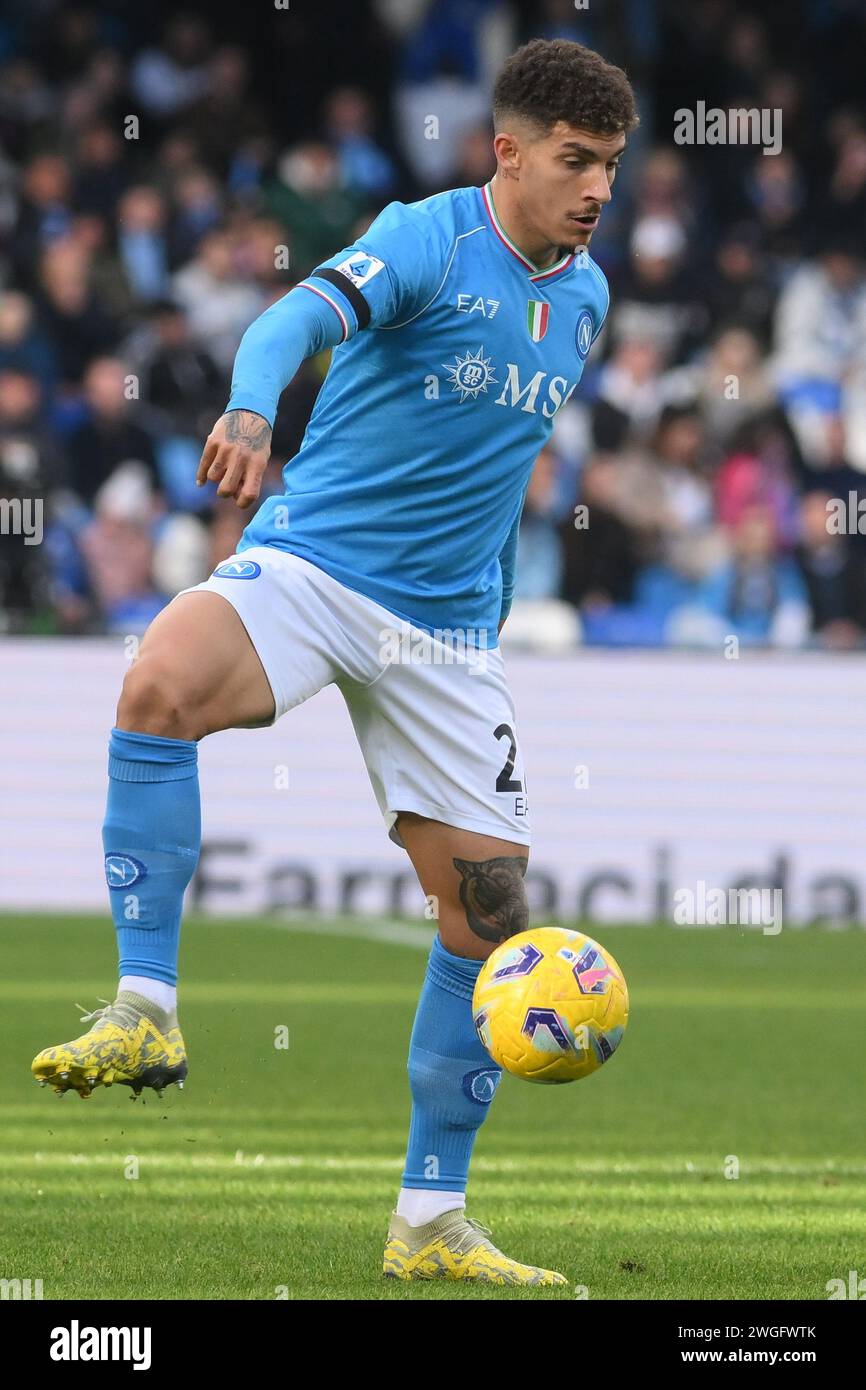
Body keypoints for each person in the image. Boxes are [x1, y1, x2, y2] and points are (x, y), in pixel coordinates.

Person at [32, 38, 638, 1287]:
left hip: (449, 634)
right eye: (574, 161)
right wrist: (252, 410)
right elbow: (288, 318)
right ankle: (145, 1007)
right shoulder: (425, 238)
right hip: (314, 568)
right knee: (156, 683)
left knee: (486, 915)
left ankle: (429, 1222)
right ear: (505, 152)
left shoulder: (585, 300)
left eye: (612, 168)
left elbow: (485, 470)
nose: (595, 189)